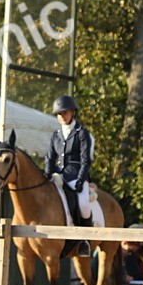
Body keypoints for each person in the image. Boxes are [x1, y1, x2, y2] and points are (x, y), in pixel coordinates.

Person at [44, 95, 94, 258]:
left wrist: (81, 180)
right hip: (58, 176)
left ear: (72, 112)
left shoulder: (82, 133)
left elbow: (86, 159)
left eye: (64, 113)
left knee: (84, 206)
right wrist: (47, 175)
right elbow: (49, 158)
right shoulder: (55, 135)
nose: (62, 116)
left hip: (76, 175)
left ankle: (85, 241)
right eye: (59, 114)